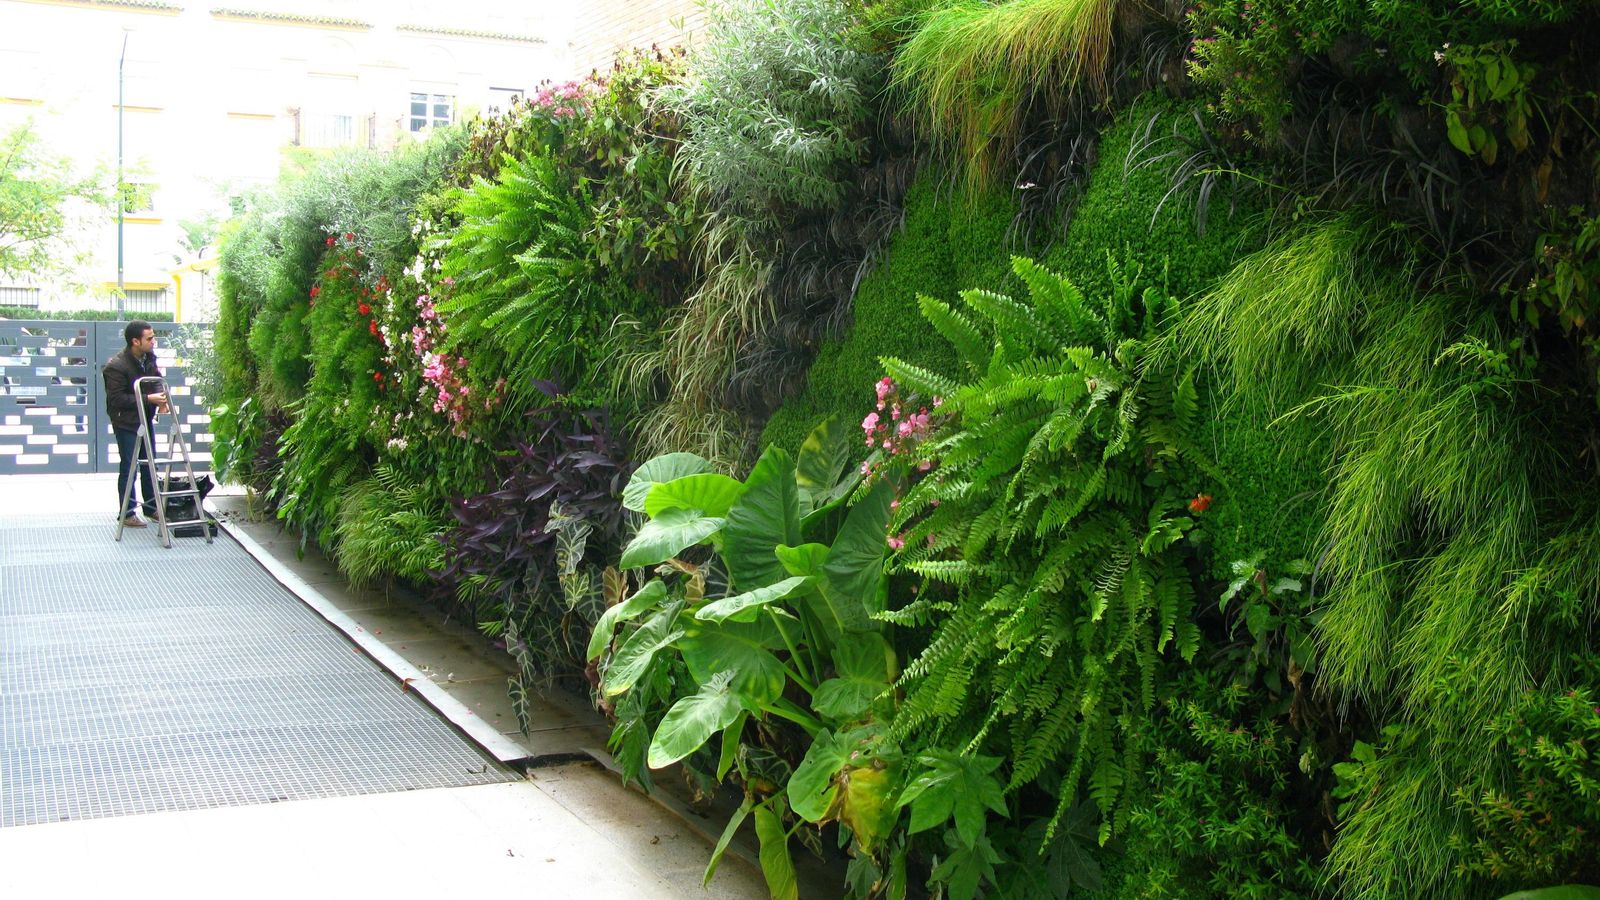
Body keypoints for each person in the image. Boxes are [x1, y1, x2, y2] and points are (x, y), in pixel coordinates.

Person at [103, 320, 169, 527]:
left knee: (150, 464)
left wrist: (162, 401)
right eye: (149, 338)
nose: (153, 342)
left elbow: (155, 378)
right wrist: (149, 399)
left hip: (145, 417)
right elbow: (117, 399)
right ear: (135, 341)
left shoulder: (148, 357)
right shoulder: (116, 366)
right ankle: (128, 512)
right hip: (126, 422)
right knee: (130, 466)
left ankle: (151, 508)